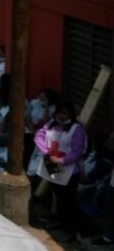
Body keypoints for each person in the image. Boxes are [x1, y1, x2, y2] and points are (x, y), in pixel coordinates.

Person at [35, 100, 87, 234]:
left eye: (64, 113)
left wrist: (61, 160)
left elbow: (77, 151)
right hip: (52, 165)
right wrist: (47, 152)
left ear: (70, 113)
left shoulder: (77, 129)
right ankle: (59, 221)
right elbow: (38, 137)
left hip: (69, 171)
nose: (61, 115)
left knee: (68, 200)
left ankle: (70, 228)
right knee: (58, 196)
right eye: (59, 112)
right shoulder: (51, 125)